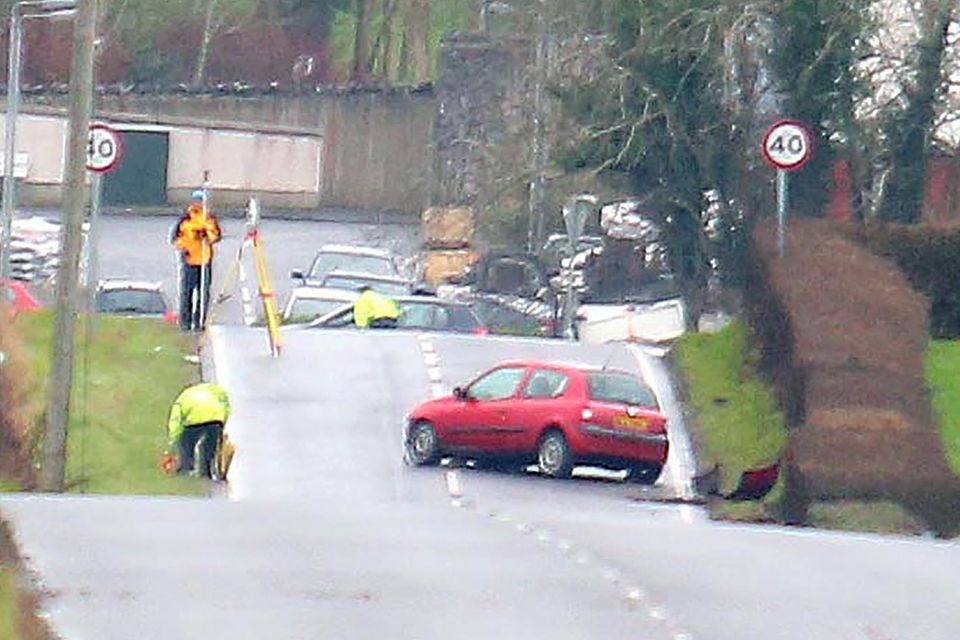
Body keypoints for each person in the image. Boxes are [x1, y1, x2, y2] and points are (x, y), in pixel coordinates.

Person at [171, 189, 222, 331]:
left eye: (201, 201)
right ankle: (185, 322)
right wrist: (185, 247)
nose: (199, 203)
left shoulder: (209, 218)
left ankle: (200, 321)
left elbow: (216, 236)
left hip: (205, 260)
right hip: (189, 260)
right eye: (197, 201)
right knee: (187, 291)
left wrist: (206, 234)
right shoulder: (186, 218)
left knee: (203, 293)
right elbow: (176, 238)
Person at [166, 381, 231, 479]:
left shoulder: (183, 396)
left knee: (186, 444)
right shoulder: (215, 390)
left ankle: (187, 469)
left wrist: (173, 439)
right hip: (215, 420)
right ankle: (207, 472)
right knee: (209, 448)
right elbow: (226, 404)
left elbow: (175, 420)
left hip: (194, 422)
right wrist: (223, 422)